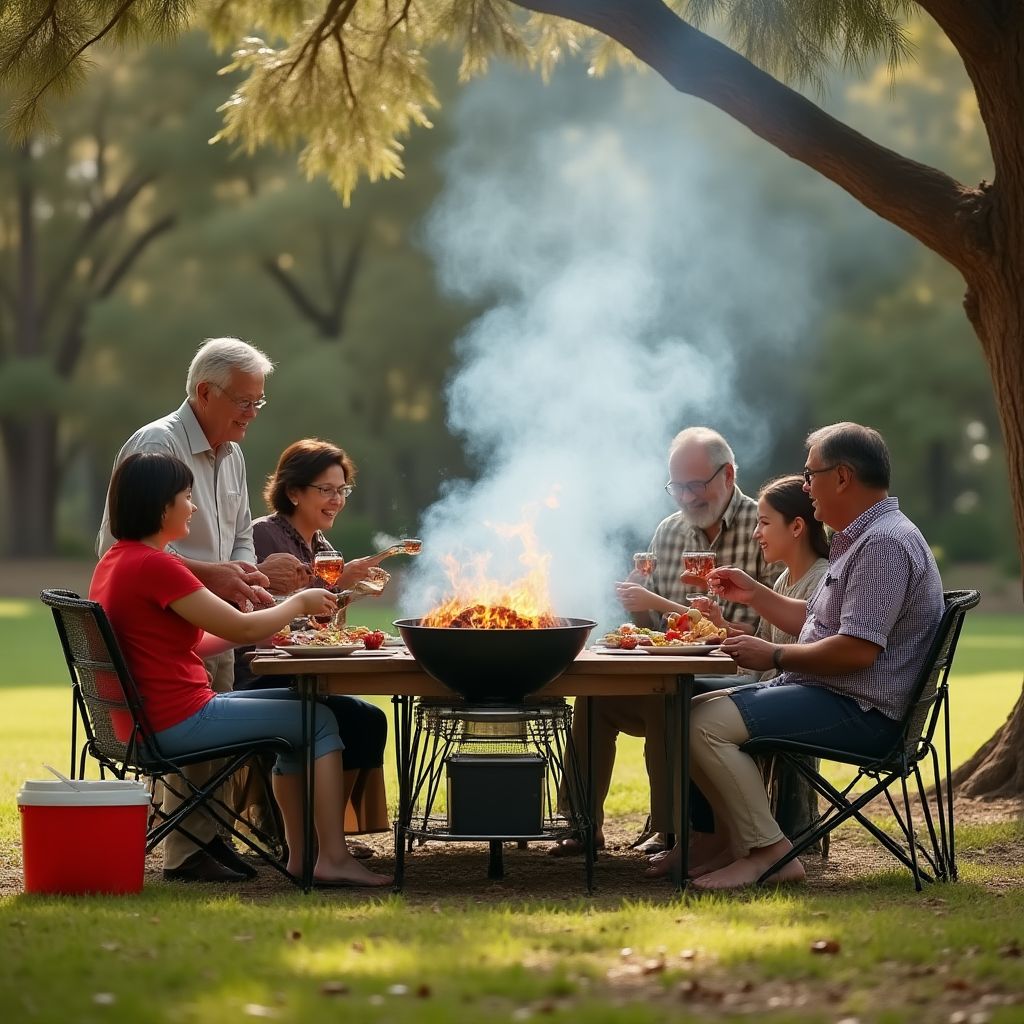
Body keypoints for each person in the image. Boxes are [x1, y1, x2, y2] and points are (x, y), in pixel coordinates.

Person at [90, 451, 393, 888]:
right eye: (186, 497)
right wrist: (296, 604)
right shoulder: (156, 566)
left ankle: (304, 855)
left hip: (142, 720)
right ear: (161, 507)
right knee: (319, 719)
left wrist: (256, 626)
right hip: (176, 719)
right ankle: (330, 858)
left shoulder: (119, 561)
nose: (193, 507)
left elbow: (207, 638)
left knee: (302, 713)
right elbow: (242, 624)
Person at [664, 422, 943, 890]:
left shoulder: (884, 545)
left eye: (811, 473)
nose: (806, 485)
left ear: (843, 476)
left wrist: (773, 655)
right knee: (689, 710)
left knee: (701, 725)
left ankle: (770, 854)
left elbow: (856, 650)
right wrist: (755, 595)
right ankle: (737, 843)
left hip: (864, 711)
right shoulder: (866, 538)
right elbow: (818, 619)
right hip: (840, 697)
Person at [96, 337, 309, 882]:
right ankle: (190, 852)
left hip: (209, 618)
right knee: (204, 732)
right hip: (174, 622)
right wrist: (214, 579)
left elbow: (239, 536)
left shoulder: (232, 454)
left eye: (259, 402)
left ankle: (206, 843)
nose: (253, 415)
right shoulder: (156, 445)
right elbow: (127, 547)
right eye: (244, 402)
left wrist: (243, 578)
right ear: (204, 392)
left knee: (212, 747)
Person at [551, 427, 780, 857]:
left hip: (741, 676)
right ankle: (582, 823)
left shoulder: (764, 526)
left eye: (697, 485)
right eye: (678, 487)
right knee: (595, 698)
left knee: (667, 695)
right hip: (675, 669)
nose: (688, 498)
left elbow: (770, 629)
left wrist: (657, 601)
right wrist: (638, 605)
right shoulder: (670, 532)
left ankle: (674, 830)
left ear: (728, 474)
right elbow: (657, 627)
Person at [646, 474, 829, 876]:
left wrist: (762, 650)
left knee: (688, 702)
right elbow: (763, 643)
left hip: (794, 695)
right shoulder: (785, 579)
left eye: (764, 523)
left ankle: (738, 840)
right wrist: (722, 624)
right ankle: (711, 836)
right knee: (677, 699)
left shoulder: (821, 579)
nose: (755, 533)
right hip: (772, 684)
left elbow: (793, 649)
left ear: (796, 527)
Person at [233, 439, 391, 852]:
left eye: (342, 490)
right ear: (294, 492)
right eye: (326, 490)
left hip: (302, 677)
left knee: (368, 720)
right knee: (352, 719)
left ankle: (326, 832)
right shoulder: (262, 538)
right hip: (257, 677)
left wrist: (348, 591)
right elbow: (251, 613)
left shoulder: (324, 549)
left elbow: (324, 627)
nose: (336, 500)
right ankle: (307, 837)